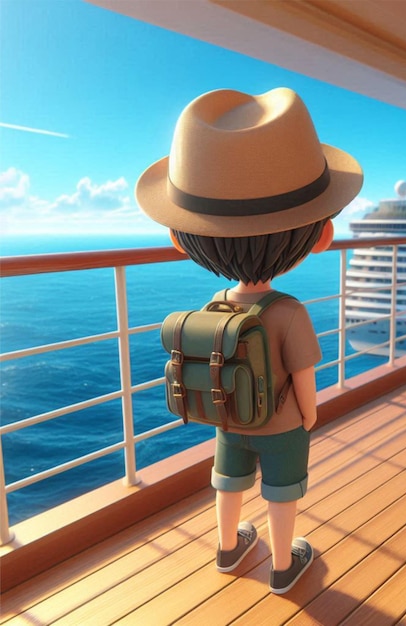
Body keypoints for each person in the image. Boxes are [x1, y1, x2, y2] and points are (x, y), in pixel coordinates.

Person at [135, 87, 362, 594]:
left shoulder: (216, 302)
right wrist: (309, 415)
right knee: (281, 493)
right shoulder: (288, 312)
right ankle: (283, 566)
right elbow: (304, 379)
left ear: (181, 239)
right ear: (320, 236)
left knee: (228, 482)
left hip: (226, 416)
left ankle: (228, 548)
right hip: (280, 424)